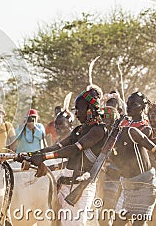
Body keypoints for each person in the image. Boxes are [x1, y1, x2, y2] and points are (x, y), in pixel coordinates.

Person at [14, 86, 107, 226]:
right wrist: (31, 154)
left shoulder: (99, 130)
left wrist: (44, 158)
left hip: (81, 187)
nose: (76, 113)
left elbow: (74, 149)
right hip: (64, 185)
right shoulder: (78, 130)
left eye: (78, 109)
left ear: (89, 110)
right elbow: (57, 146)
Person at [108, 92, 156, 226]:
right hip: (127, 182)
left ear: (143, 108)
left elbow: (131, 146)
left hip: (144, 180)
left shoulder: (145, 128)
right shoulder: (122, 125)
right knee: (117, 222)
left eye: (134, 104)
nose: (129, 107)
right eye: (128, 104)